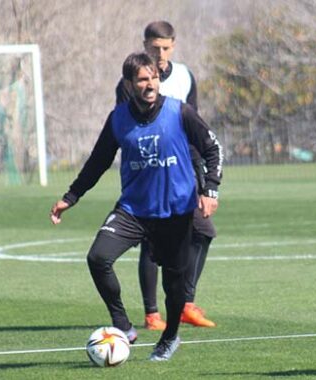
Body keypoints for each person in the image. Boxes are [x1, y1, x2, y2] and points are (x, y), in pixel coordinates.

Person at [50, 52, 222, 361]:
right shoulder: (118, 119)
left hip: (176, 212)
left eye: (154, 77)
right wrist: (71, 197)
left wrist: (210, 190)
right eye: (143, 79)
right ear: (129, 84)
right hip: (133, 210)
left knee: (174, 285)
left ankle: (169, 338)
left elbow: (213, 148)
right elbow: (98, 162)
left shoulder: (179, 112)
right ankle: (122, 325)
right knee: (98, 257)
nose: (150, 83)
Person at [116, 20, 220, 330]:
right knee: (152, 240)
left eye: (165, 47)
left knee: (203, 231)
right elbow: (126, 126)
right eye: (154, 48)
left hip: (185, 169)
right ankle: (152, 314)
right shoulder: (131, 82)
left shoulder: (186, 76)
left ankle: (186, 303)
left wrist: (202, 175)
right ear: (145, 46)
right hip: (150, 171)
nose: (160, 53)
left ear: (173, 45)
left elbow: (195, 126)